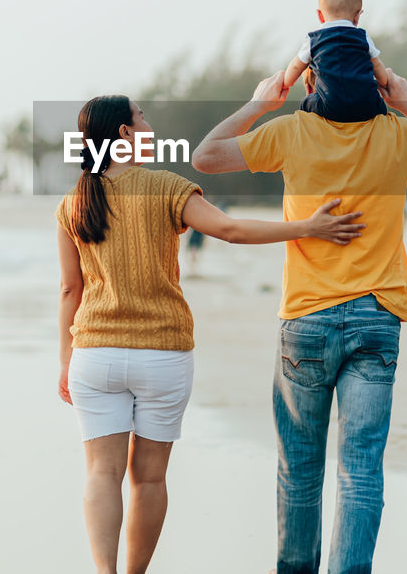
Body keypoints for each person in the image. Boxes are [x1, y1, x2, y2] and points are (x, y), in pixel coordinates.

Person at [56, 94, 366, 574]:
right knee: (149, 479)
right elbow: (231, 231)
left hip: (93, 355)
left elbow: (68, 289)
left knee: (101, 473)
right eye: (143, 120)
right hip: (162, 354)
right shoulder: (166, 187)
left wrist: (65, 360)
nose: (150, 126)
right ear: (122, 134)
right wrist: (309, 227)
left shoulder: (73, 202)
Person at [192, 69, 407, 574]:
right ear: (377, 89)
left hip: (306, 317)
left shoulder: (288, 133)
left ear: (312, 88)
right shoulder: (400, 133)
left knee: (299, 472)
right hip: (376, 317)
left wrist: (261, 103)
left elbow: (206, 157)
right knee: (361, 472)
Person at [281, 0, 389, 123]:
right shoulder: (363, 37)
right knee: (379, 103)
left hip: (329, 107)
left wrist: (286, 82)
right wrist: (385, 81)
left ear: (320, 15)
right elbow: (376, 65)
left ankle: (305, 125)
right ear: (357, 16)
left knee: (306, 102)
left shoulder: (313, 39)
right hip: (366, 105)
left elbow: (296, 66)